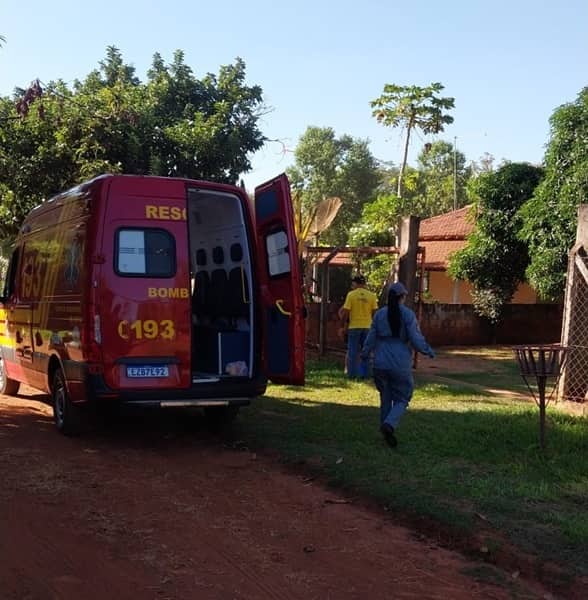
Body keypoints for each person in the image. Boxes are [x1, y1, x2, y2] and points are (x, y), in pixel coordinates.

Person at [361, 281, 435, 448]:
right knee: (402, 398)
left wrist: (365, 354)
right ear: (402, 297)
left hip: (380, 362)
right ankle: (390, 424)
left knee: (385, 397)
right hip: (400, 362)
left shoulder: (379, 315)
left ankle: (385, 429)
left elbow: (371, 337)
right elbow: (415, 339)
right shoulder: (408, 315)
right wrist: (427, 350)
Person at [338, 274, 378, 379]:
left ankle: (352, 374)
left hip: (354, 327)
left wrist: (342, 326)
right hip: (368, 327)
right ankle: (365, 374)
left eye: (353, 283)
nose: (352, 285)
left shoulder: (351, 295)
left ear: (356, 283)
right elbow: (375, 313)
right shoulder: (372, 296)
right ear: (364, 284)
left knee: (352, 352)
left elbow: (345, 312)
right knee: (367, 352)